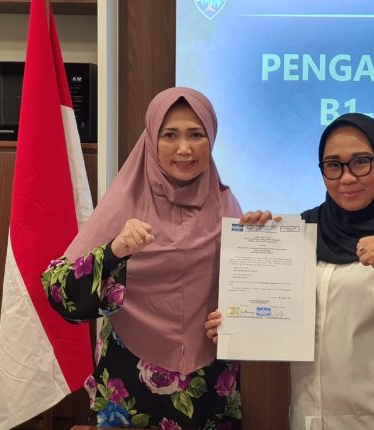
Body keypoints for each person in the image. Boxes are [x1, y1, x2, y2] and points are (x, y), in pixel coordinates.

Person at [206, 113, 374, 429]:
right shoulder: (304, 233)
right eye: (333, 165)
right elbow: (284, 322)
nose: (347, 177)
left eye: (360, 162)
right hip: (311, 418)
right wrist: (237, 322)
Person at [42, 87, 243, 429]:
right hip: (131, 375)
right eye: (170, 135)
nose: (184, 148)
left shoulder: (225, 204)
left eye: (196, 135)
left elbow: (243, 292)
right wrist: (114, 250)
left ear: (211, 138)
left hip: (208, 379)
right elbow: (59, 292)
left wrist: (260, 236)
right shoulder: (123, 203)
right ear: (151, 139)